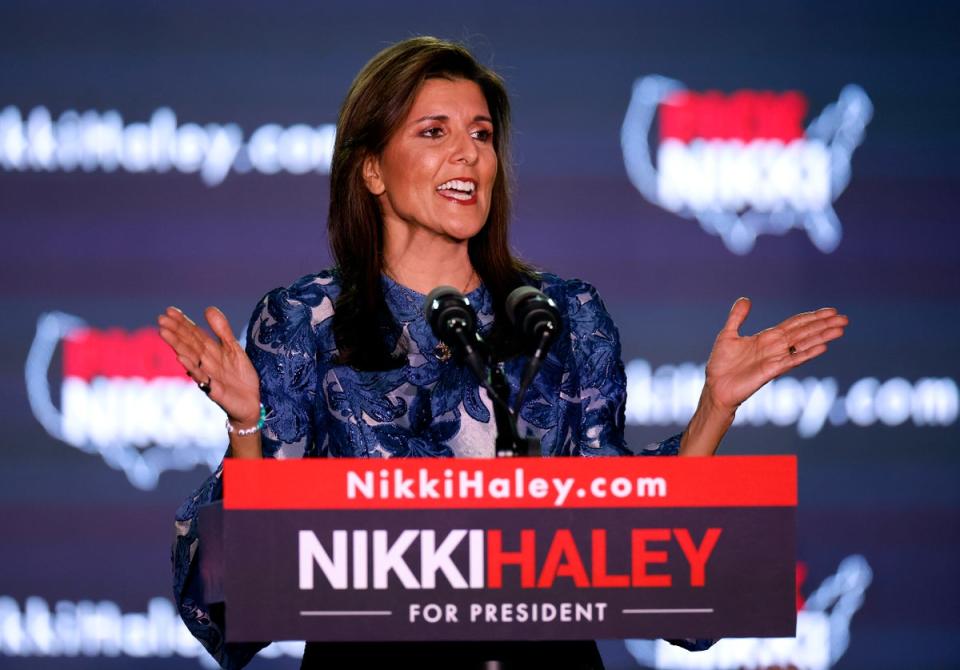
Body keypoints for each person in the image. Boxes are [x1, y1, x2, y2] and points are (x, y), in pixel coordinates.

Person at [158, 36, 848, 670]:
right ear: (370, 168)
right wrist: (247, 425)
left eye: (482, 135)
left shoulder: (564, 316)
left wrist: (712, 411)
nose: (469, 154)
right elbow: (241, 608)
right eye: (435, 132)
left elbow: (645, 563)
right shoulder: (305, 322)